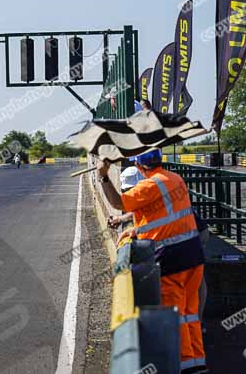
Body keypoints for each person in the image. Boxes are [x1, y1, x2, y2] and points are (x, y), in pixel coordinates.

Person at [97, 150, 206, 373]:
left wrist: (104, 176)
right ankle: (197, 361)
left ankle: (186, 365)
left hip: (170, 259)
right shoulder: (174, 179)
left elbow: (119, 203)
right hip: (193, 255)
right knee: (190, 312)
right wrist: (137, 229)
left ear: (139, 167)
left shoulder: (150, 186)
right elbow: (160, 216)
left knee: (175, 313)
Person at [108, 165, 210, 336]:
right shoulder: (158, 185)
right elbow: (140, 211)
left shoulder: (152, 189)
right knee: (191, 282)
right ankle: (193, 325)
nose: (131, 194)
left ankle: (195, 323)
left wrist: (103, 177)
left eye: (132, 190)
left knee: (195, 282)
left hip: (193, 235)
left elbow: (144, 209)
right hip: (188, 236)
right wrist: (123, 220)